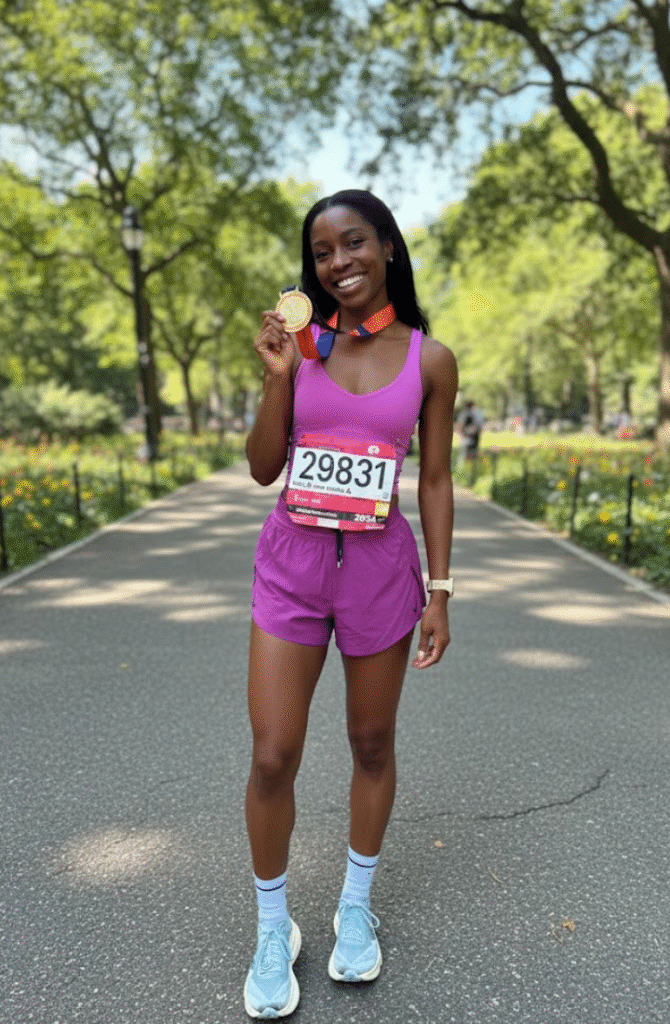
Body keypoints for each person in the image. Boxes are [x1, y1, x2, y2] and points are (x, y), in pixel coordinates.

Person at [243, 189, 458, 1018]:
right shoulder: (303, 348)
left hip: (380, 568)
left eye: (354, 243)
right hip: (293, 564)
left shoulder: (429, 360)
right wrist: (276, 381)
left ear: (388, 248)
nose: (339, 262)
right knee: (273, 755)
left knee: (371, 741)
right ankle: (274, 928)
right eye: (323, 251)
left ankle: (355, 907)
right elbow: (265, 467)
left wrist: (440, 590)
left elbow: (434, 480)